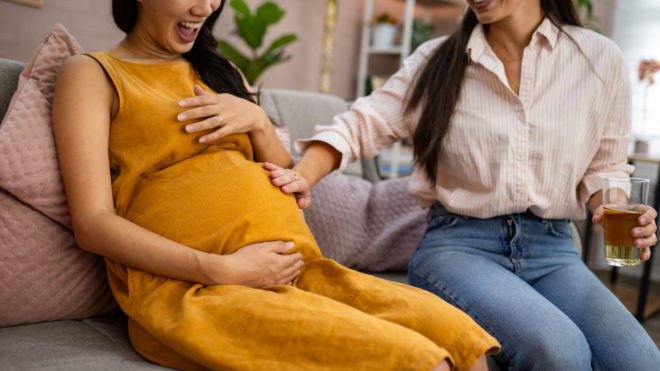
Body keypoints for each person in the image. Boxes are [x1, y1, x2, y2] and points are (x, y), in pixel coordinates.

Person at [51, 0, 499, 370]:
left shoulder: (220, 72)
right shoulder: (93, 73)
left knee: (465, 343)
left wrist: (259, 123)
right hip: (199, 292)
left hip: (303, 272)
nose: (207, 7)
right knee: (421, 362)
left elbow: (287, 181)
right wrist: (223, 269)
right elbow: (92, 223)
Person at [266, 0, 660, 370]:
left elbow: (605, 168)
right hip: (458, 247)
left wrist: (612, 210)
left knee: (638, 358)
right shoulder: (436, 60)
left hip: (553, 251)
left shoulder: (598, 58)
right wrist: (304, 173)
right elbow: (361, 123)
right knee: (558, 350)